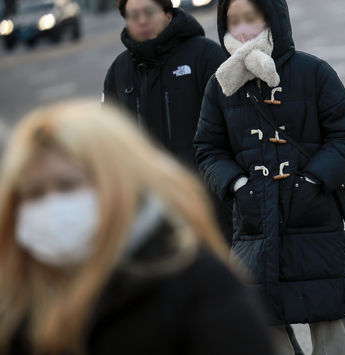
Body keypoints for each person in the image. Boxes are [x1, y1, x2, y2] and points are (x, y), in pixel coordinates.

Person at [0, 100, 274, 355]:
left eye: (68, 185)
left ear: (117, 183)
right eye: (34, 194)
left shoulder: (193, 284)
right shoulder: (19, 303)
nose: (52, 207)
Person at [194, 0, 345, 355]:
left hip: (313, 220)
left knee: (327, 320)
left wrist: (312, 182)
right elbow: (208, 149)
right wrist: (237, 185)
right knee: (262, 322)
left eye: (250, 18)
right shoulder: (221, 85)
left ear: (273, 17)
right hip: (253, 225)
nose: (241, 29)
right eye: (233, 21)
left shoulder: (312, 71)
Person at [102, 0, 231, 241]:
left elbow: (235, 119)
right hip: (148, 207)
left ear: (168, 14)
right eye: (132, 15)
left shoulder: (204, 55)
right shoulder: (119, 71)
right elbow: (108, 138)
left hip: (208, 199)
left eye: (148, 12)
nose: (141, 20)